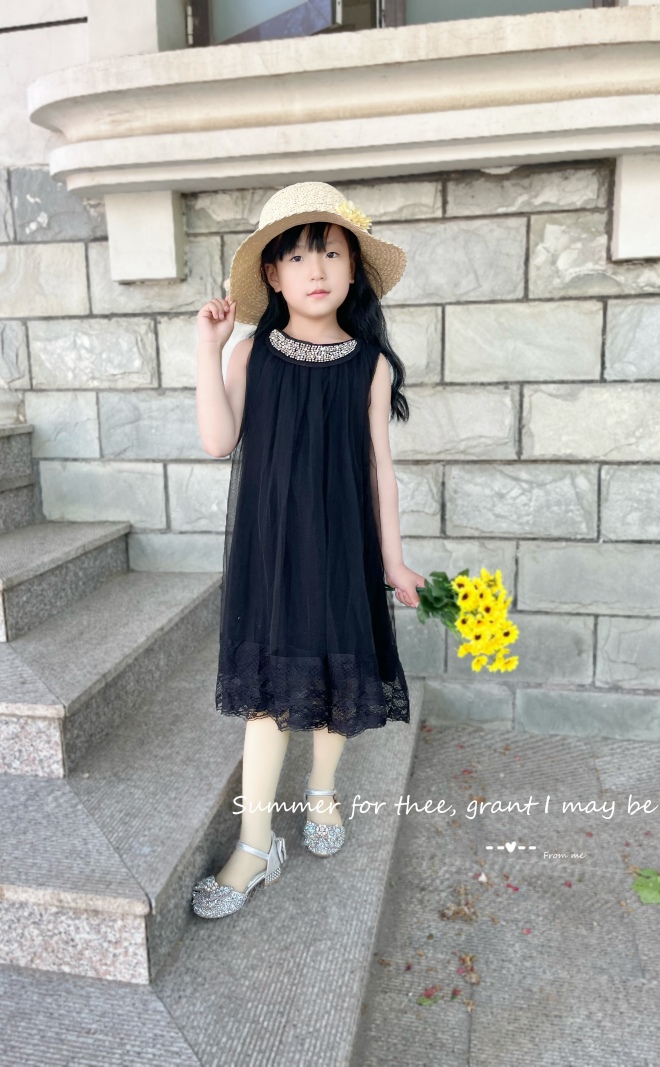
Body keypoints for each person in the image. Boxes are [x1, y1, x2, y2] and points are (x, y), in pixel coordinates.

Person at [191, 181, 425, 919]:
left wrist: (392, 560)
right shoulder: (252, 354)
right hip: (272, 550)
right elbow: (218, 440)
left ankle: (321, 792)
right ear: (272, 274)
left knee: (336, 674)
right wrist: (209, 349)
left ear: (354, 270)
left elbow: (380, 470)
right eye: (296, 256)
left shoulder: (369, 363)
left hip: (343, 544)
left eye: (330, 253)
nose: (315, 269)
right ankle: (255, 844)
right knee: (267, 694)